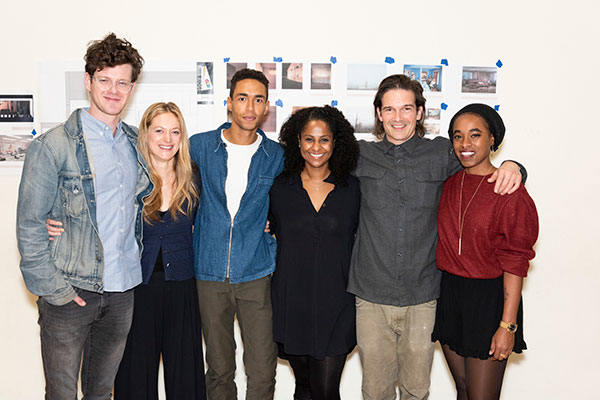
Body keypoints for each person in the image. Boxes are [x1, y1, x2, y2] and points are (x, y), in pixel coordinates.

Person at [347, 74, 526, 400]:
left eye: (406, 109)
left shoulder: (444, 153)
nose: (397, 117)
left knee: (417, 391)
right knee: (375, 392)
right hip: (371, 295)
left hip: (424, 294)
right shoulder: (358, 155)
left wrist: (514, 166)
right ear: (378, 113)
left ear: (419, 113)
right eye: (389, 109)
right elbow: (309, 165)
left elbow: (481, 162)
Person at [16, 33, 150, 399]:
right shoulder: (53, 145)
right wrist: (54, 290)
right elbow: (29, 224)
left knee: (101, 391)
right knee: (61, 393)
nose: (113, 90)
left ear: (132, 87)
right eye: (104, 80)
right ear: (88, 81)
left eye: (122, 82)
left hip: (122, 290)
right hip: (70, 289)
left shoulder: (138, 144)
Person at [432, 104, 538, 400]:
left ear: (493, 139)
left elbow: (516, 262)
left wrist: (507, 325)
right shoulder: (449, 184)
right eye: (458, 136)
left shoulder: (510, 192)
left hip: (489, 301)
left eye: (475, 135)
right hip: (451, 295)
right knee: (464, 390)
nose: (465, 144)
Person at [190, 68, 284, 400]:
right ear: (229, 102)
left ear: (266, 107)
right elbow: (165, 188)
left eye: (258, 100)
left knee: (262, 369)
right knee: (218, 367)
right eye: (242, 98)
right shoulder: (199, 147)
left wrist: (274, 224)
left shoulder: (277, 156)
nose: (250, 107)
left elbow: (292, 202)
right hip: (209, 271)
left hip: (256, 271)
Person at [269, 106, 360, 400]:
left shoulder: (353, 189)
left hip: (337, 302)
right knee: (304, 386)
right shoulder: (280, 188)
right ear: (297, 142)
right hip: (291, 301)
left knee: (325, 390)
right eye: (309, 139)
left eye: (324, 140)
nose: (316, 147)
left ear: (335, 142)